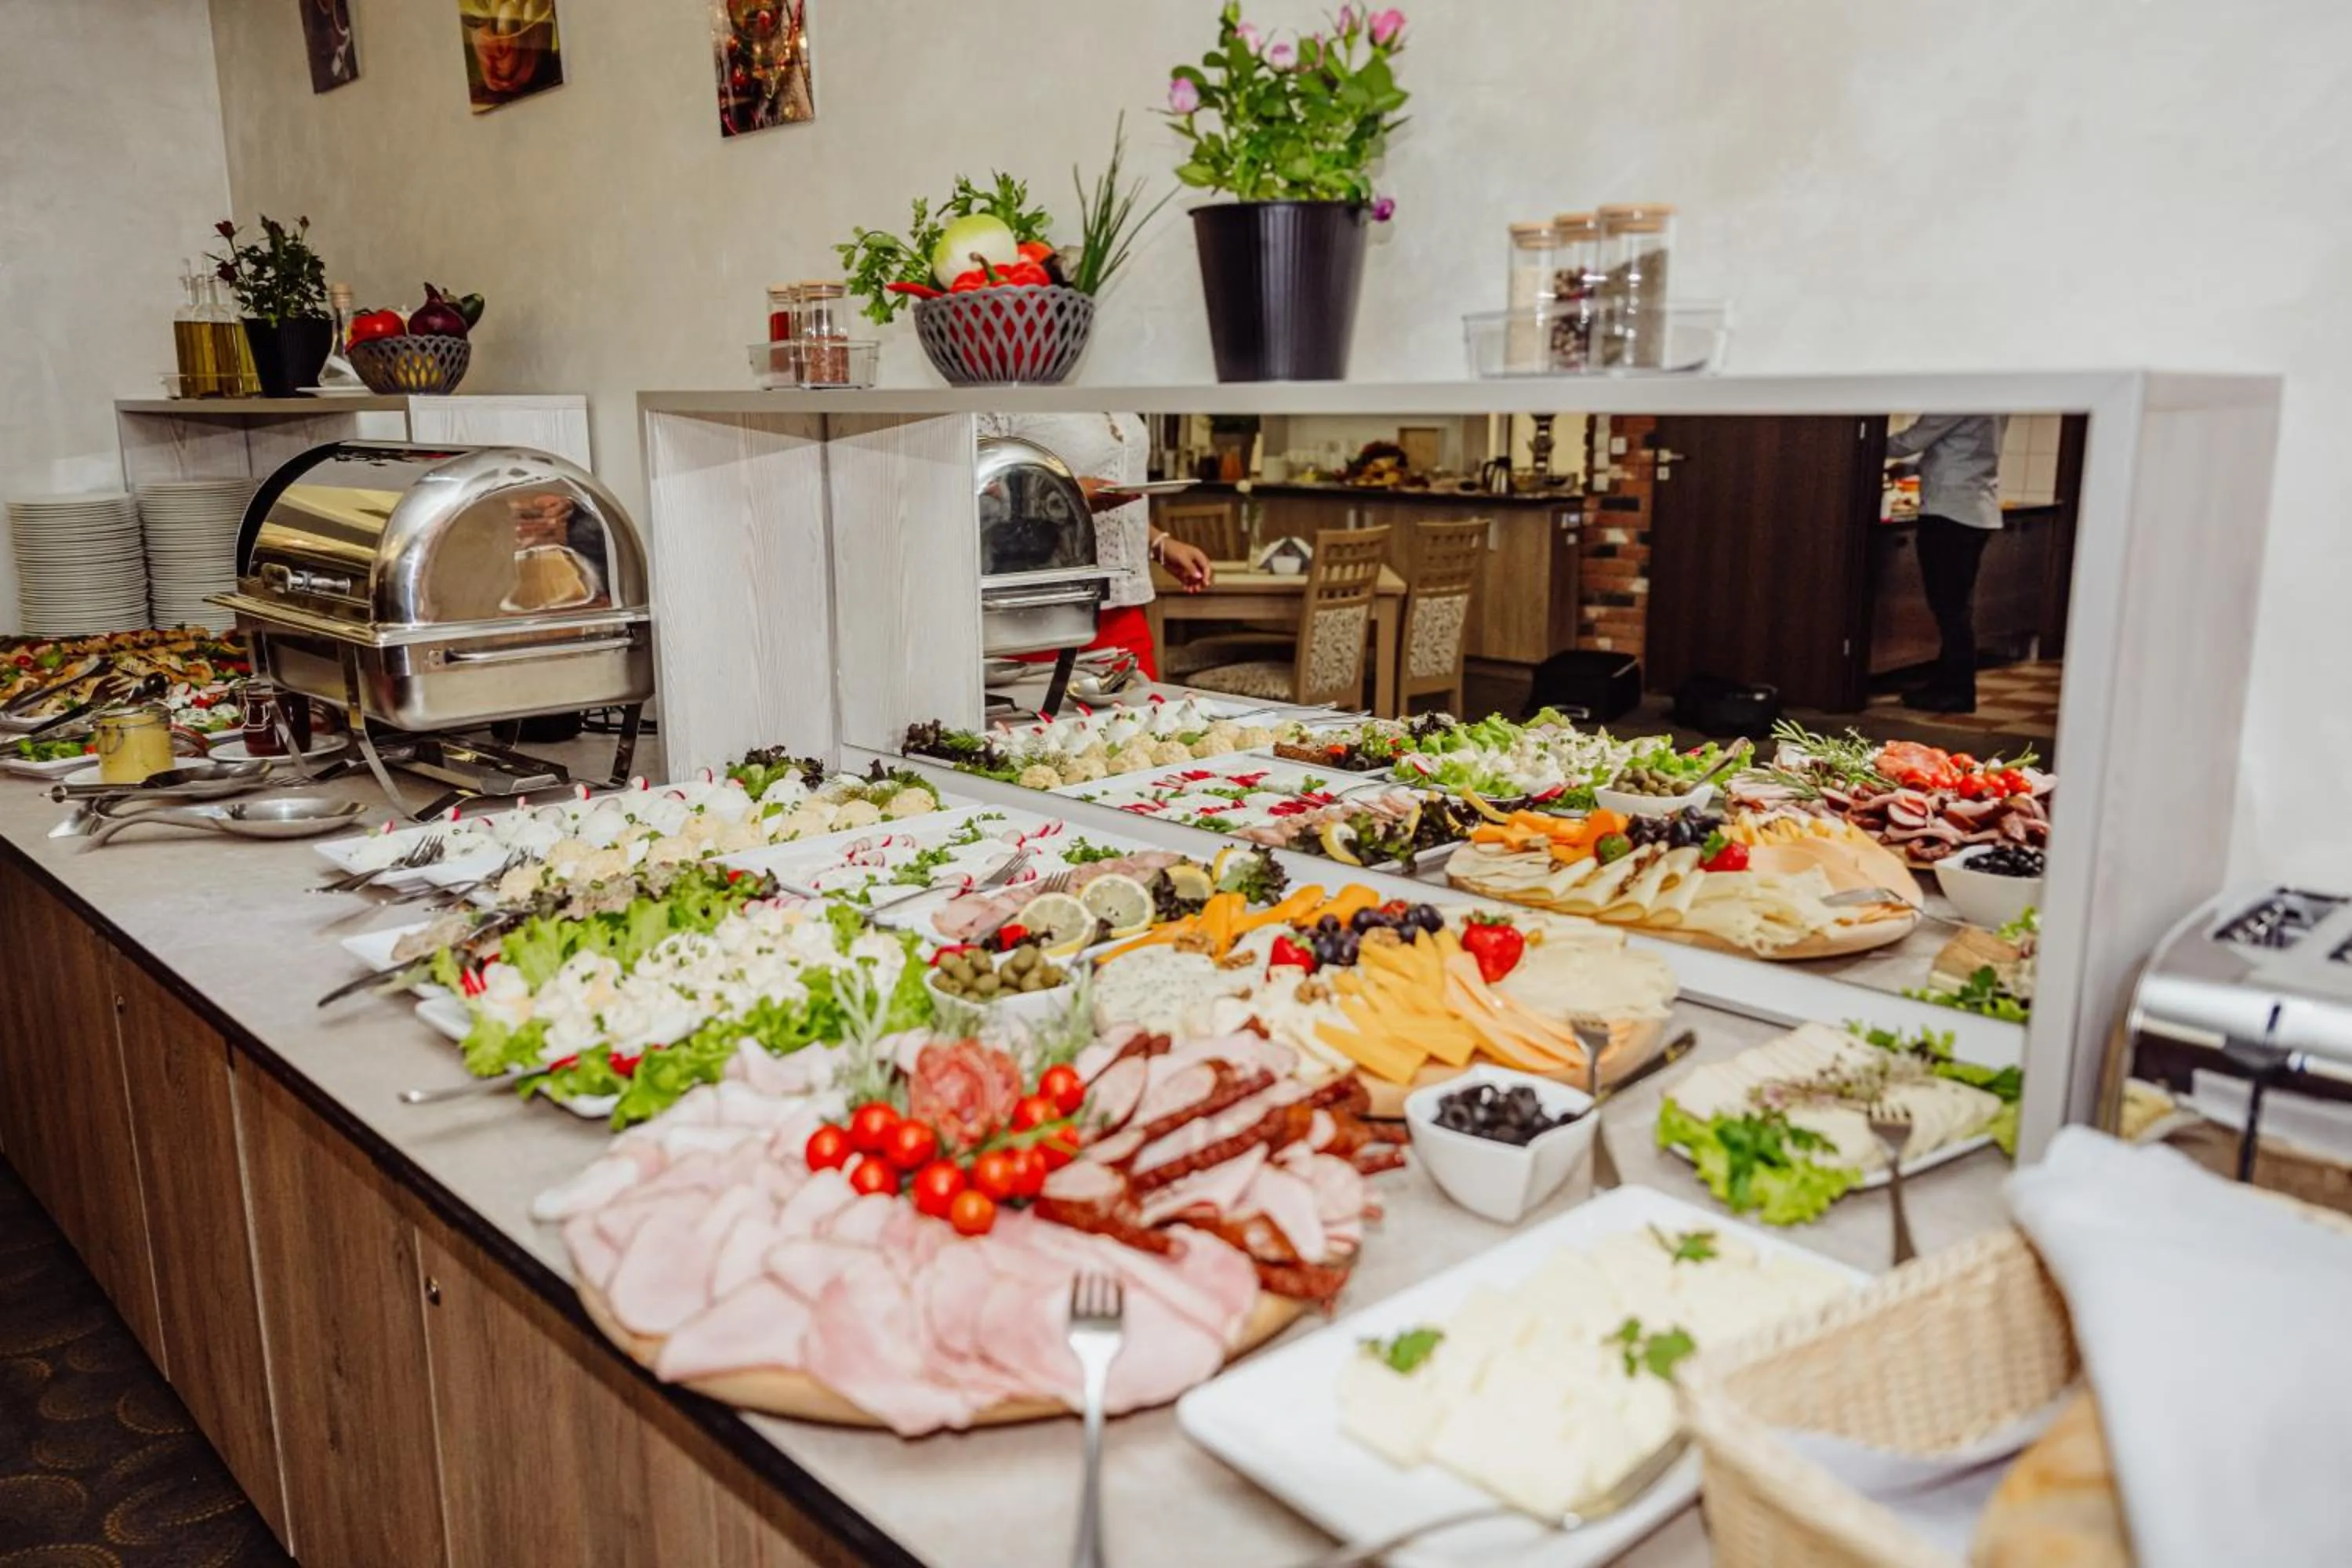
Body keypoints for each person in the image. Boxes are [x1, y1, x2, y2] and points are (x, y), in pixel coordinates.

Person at [977, 412, 1213, 681]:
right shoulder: (1001, 398)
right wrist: (1065, 494)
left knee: (1146, 705)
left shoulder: (1111, 394)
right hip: (1036, 614)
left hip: (1122, 606)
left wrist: (1158, 542)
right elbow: (973, 488)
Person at [1886, 413, 2006, 713]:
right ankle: (1946, 683)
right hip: (1974, 509)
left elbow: (1911, 441)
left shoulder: (1959, 395)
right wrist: (1911, 468)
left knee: (1950, 608)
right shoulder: (1995, 396)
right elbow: (1958, 451)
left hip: (1950, 513)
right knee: (1954, 607)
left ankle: (1957, 691)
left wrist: (1860, 443)